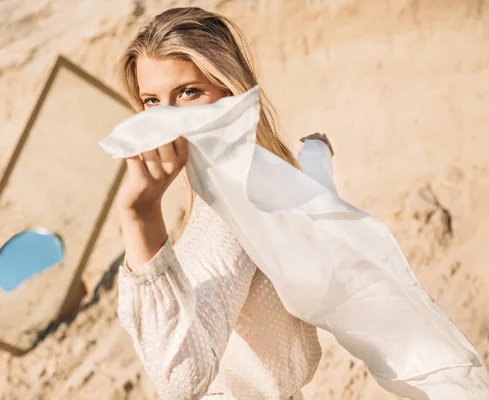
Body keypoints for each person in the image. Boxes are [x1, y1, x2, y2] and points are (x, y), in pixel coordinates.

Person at [113, 7, 328, 400]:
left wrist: (138, 217)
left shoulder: (233, 204)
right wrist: (317, 164)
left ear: (231, 93)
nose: (167, 119)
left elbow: (182, 380)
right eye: (152, 101)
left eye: (188, 92)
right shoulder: (239, 186)